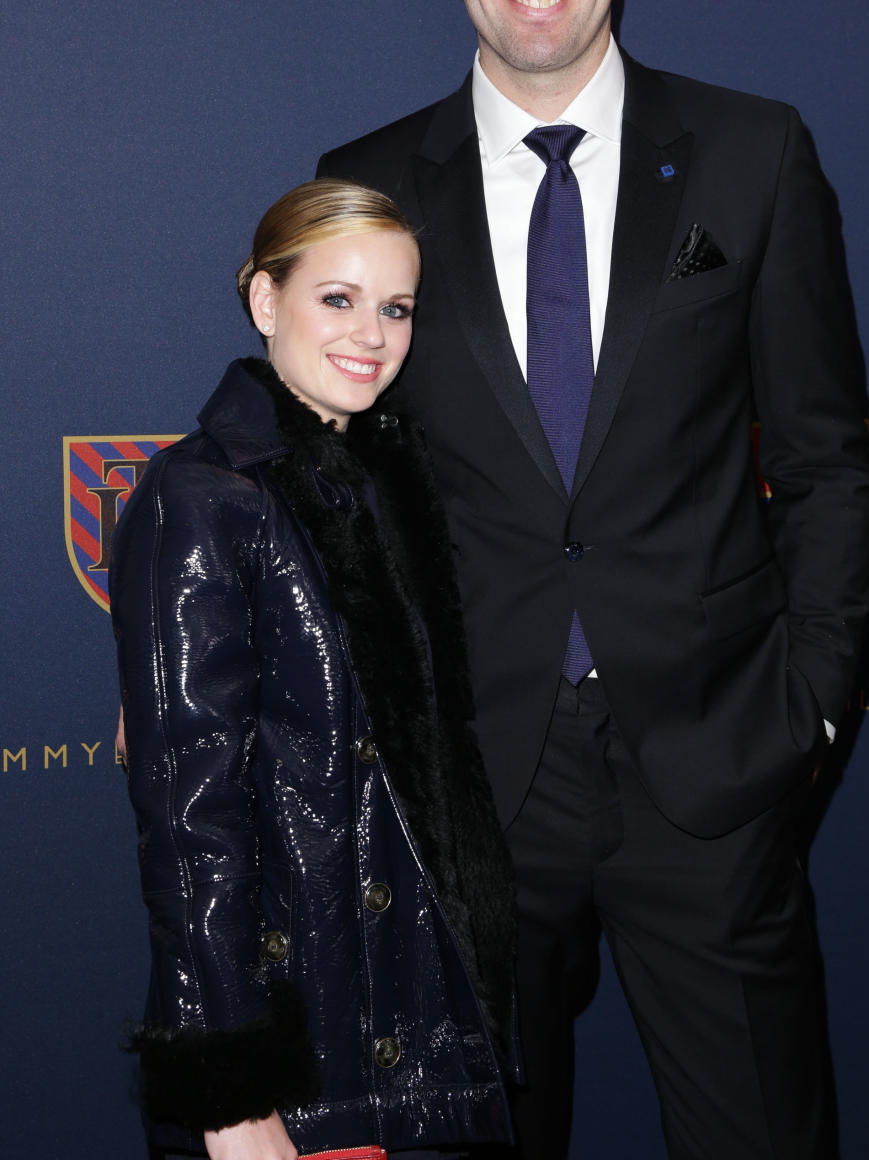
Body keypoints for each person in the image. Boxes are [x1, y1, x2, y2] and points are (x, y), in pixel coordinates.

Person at [315, 0, 869, 1160]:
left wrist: (808, 711)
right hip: (476, 793)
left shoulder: (755, 156)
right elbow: (325, 482)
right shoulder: (369, 187)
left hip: (715, 771)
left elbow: (827, 463)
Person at [110, 180, 516, 1160]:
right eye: (337, 298)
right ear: (264, 302)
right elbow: (191, 817)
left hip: (421, 1027)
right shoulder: (201, 497)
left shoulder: (393, 493)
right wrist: (230, 1090)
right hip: (307, 1054)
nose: (370, 333)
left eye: (396, 307)